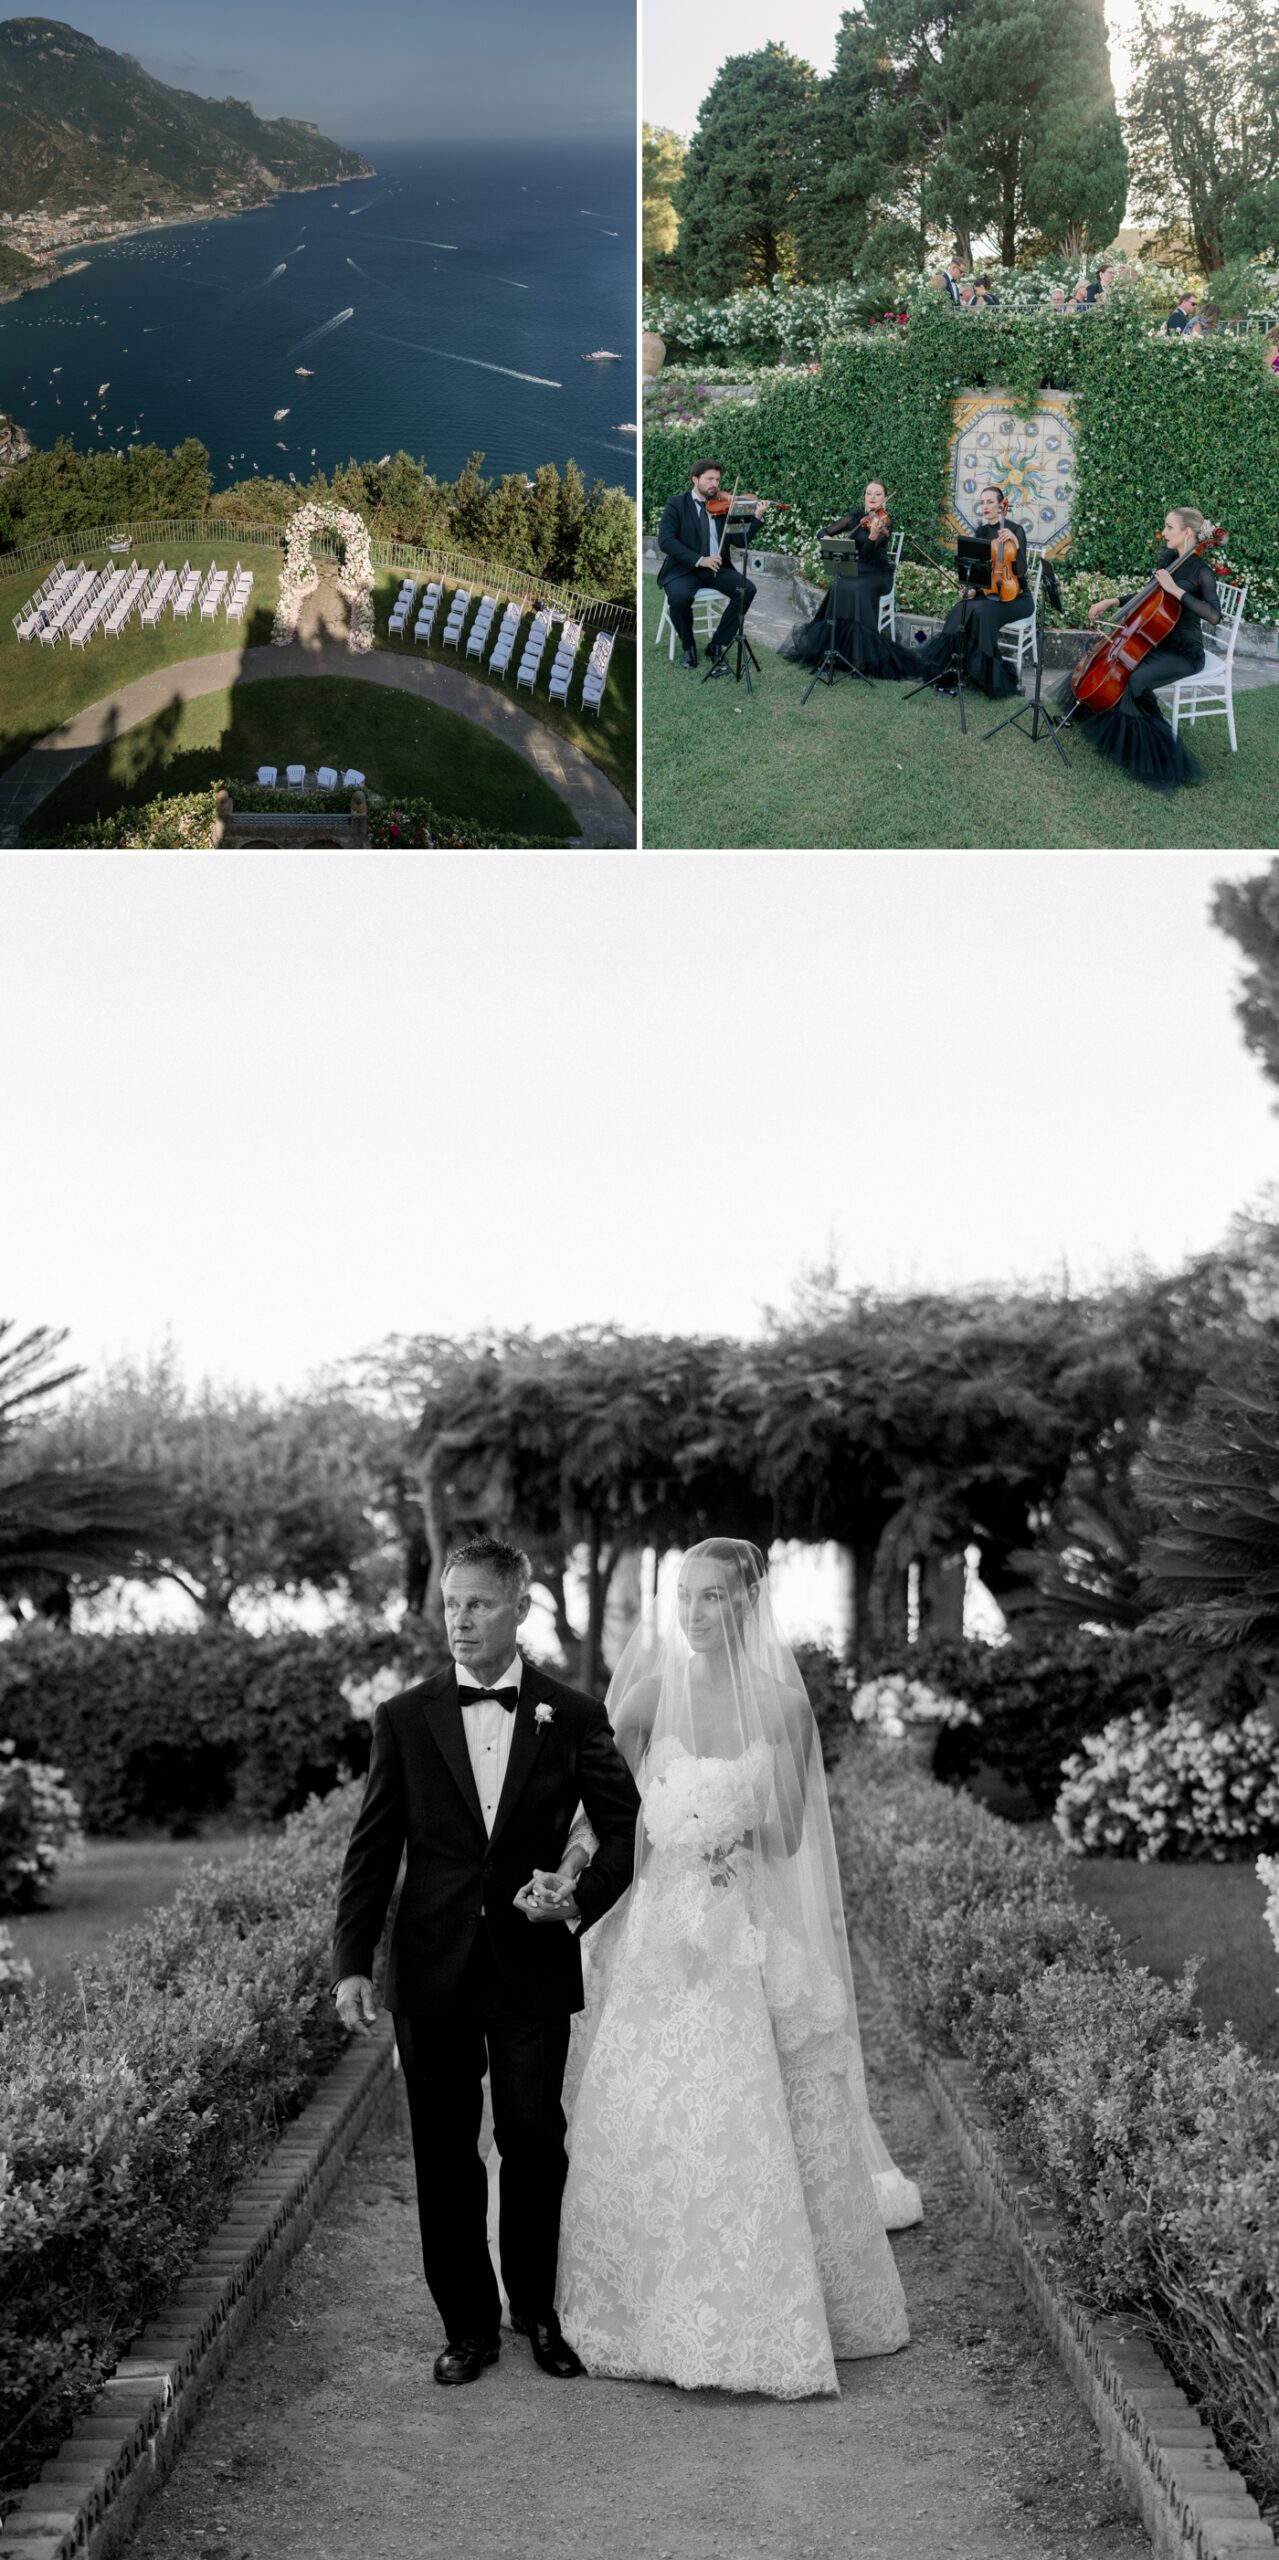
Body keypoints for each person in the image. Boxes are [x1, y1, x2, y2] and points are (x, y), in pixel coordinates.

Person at [553, 1538, 919, 2399]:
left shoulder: (782, 1710)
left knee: (751, 2096)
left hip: (741, 1921)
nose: (692, 1612)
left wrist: (724, 1823)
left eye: (712, 1597)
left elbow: (790, 1833)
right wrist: (592, 1871)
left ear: (747, 1605)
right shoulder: (643, 1695)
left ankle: (759, 2295)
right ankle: (634, 2298)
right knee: (651, 2101)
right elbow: (608, 1815)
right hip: (660, 1929)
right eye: (683, 1595)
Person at [331, 1534, 641, 2388]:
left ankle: (536, 2312)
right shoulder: (404, 1717)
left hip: (530, 1964)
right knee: (442, 2150)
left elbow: (624, 1827)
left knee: (534, 2139)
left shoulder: (569, 1714)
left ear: (518, 1609)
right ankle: (467, 2325)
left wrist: (579, 1900)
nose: (459, 1620)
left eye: (476, 1604)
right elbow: (372, 1848)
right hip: (428, 1970)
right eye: (450, 1604)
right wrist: (351, 1962)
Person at [1061, 505, 1223, 791]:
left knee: (1134, 680)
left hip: (1185, 652)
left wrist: (1175, 590)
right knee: (1122, 672)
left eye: (1170, 527)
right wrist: (1112, 602)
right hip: (1158, 642)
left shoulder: (1201, 572)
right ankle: (1130, 730)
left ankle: (1154, 755)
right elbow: (1147, 595)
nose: (1164, 533)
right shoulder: (1169, 559)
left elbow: (1213, 615)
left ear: (1187, 532)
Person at [779, 478, 918, 679]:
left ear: (884, 499)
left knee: (856, 589)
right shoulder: (855, 517)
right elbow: (823, 531)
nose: (872, 497)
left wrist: (872, 535)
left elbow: (867, 553)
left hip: (876, 574)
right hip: (854, 571)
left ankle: (860, 658)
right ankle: (832, 651)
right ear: (864, 496)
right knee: (839, 585)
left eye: (878, 494)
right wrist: (825, 538)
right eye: (869, 493)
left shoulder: (885, 522)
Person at [912, 484, 1031, 698]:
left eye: (990, 502)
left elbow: (1020, 571)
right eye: (983, 502)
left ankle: (985, 677)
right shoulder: (981, 532)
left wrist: (1017, 545)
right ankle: (952, 669)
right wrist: (973, 590)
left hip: (1017, 596)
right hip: (989, 593)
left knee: (983, 613)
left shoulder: (1015, 530)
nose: (985, 506)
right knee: (961, 608)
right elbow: (979, 571)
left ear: (1001, 505)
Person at [656, 461, 768, 669]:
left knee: (746, 589)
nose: (714, 484)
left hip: (717, 568)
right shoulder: (677, 504)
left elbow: (738, 540)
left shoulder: (724, 506)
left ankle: (717, 644)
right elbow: (666, 541)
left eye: (717, 479)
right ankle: (688, 647)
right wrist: (699, 559)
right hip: (684, 569)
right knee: (680, 597)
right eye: (709, 479)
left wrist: (757, 517)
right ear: (695, 479)